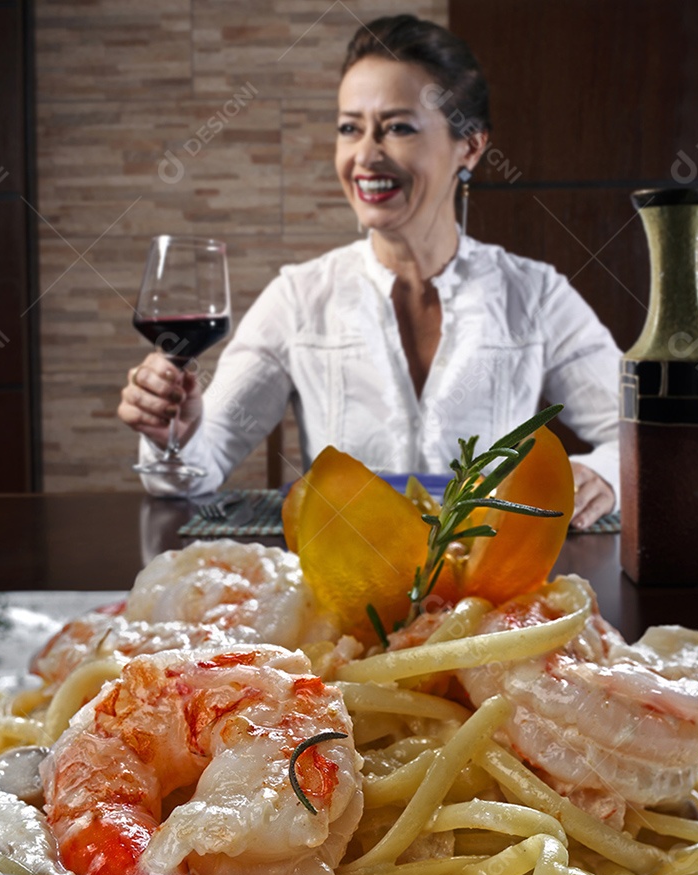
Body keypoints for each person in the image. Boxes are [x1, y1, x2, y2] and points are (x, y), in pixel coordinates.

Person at [118, 14, 619, 529]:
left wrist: (600, 473)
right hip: (346, 590)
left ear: (469, 146)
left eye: (398, 127)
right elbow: (199, 468)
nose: (365, 155)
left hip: (492, 587)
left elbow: (633, 435)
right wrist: (171, 435)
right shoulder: (297, 298)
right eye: (349, 128)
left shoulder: (535, 294)